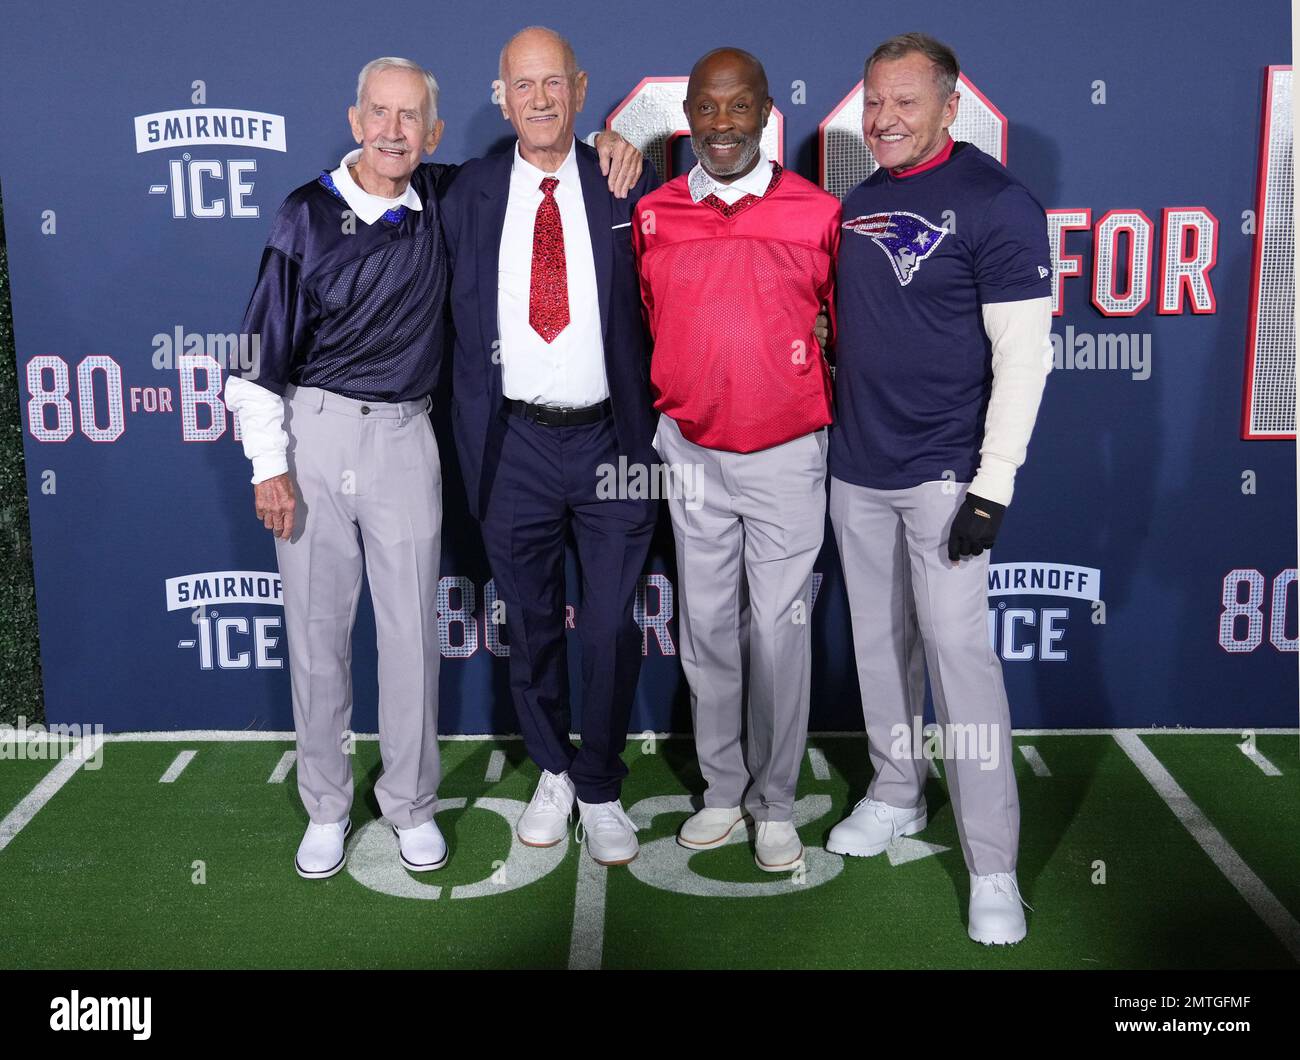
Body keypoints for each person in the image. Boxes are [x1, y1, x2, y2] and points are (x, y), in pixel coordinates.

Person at [224, 55, 642, 879]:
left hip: (410, 437)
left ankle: (410, 804)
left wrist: (611, 140)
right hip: (316, 436)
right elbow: (252, 354)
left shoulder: (449, 196)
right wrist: (268, 464)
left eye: (409, 117)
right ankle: (327, 805)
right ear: (354, 121)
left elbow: (545, 152)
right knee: (316, 639)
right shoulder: (305, 214)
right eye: (378, 114)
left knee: (412, 635)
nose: (392, 131)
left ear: (434, 133)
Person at [825, 32, 1053, 945]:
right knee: (881, 653)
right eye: (874, 101)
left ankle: (993, 863)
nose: (883, 119)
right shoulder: (859, 201)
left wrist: (992, 487)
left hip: (947, 478)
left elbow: (1026, 359)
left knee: (963, 672)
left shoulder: (998, 203)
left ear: (950, 106)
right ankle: (894, 792)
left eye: (905, 102)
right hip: (857, 471)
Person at [439, 27, 658, 866]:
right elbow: (378, 184)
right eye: (521, 85)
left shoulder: (624, 186)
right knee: (530, 625)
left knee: (606, 624)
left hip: (612, 439)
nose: (538, 99)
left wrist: (621, 145)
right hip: (513, 443)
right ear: (502, 97)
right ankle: (553, 770)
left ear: (579, 86)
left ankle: (599, 782)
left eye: (553, 83)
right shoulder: (468, 192)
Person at [632, 47, 841, 873]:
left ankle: (776, 801)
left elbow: (842, 330)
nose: (722, 125)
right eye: (707, 109)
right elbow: (652, 322)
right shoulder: (654, 214)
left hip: (787, 454)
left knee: (780, 636)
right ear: (689, 114)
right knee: (708, 631)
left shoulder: (818, 212)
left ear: (764, 112)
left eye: (739, 107)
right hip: (689, 451)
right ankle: (723, 791)